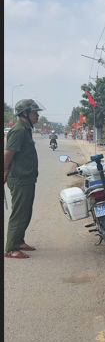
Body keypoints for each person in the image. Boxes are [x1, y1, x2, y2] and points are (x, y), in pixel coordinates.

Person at [4, 98, 45, 259]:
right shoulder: (19, 130)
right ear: (25, 113)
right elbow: (7, 155)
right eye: (35, 112)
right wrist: (4, 172)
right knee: (19, 214)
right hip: (19, 179)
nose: (37, 115)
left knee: (26, 212)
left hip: (27, 178)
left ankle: (19, 241)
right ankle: (10, 248)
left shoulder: (26, 129)